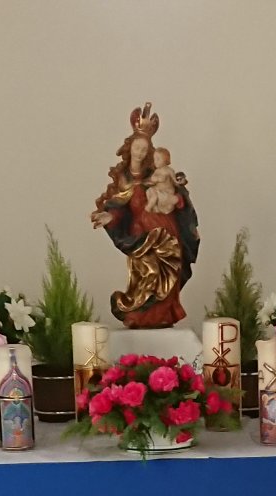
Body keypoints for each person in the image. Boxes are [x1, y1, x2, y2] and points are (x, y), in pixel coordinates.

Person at [90, 103, 200, 329]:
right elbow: (118, 205)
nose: (140, 152)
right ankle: (140, 314)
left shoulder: (156, 173)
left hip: (166, 228)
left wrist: (180, 202)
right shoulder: (123, 178)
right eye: (137, 148)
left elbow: (177, 193)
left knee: (169, 271)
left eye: (145, 149)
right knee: (147, 274)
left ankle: (162, 315)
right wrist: (110, 218)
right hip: (141, 234)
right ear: (129, 148)